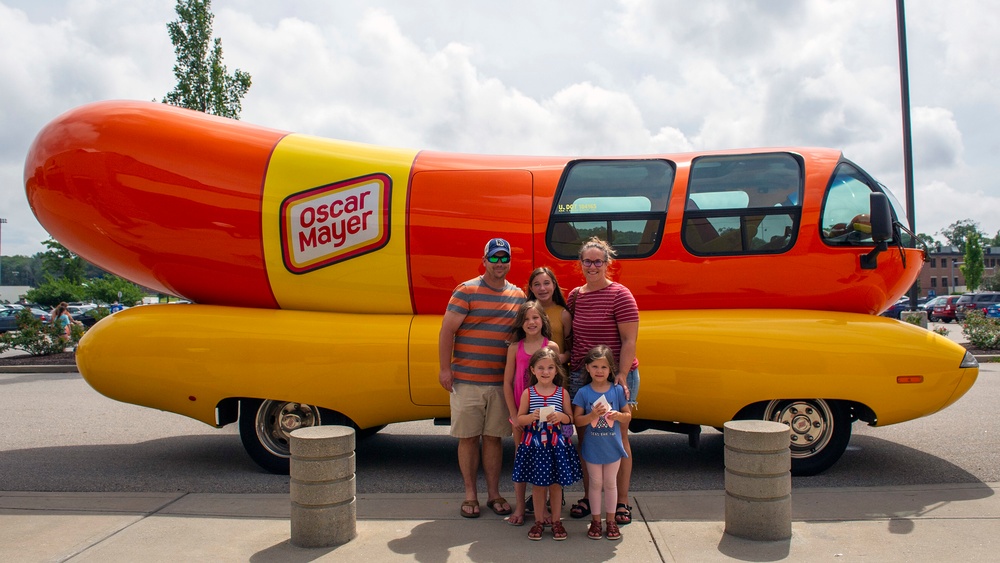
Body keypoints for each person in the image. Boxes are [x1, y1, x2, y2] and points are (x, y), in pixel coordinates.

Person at [439, 238, 525, 519]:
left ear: (509, 262)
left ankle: (493, 494)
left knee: (493, 439)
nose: (499, 264)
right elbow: (447, 331)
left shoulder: (518, 296)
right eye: (494, 258)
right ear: (485, 260)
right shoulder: (466, 290)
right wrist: (445, 369)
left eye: (504, 259)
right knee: (467, 438)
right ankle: (469, 495)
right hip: (467, 381)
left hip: (500, 383)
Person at [566, 237, 640, 526]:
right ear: (580, 264)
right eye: (588, 261)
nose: (593, 266)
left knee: (617, 437)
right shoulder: (575, 296)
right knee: (586, 439)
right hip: (582, 378)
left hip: (616, 376)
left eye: (599, 261)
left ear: (607, 263)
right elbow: (572, 336)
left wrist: (620, 375)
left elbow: (629, 340)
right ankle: (591, 497)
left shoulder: (621, 295)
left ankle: (620, 501)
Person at [511, 347, 582, 540]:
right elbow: (520, 420)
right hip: (535, 447)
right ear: (533, 370)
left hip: (556, 447)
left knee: (556, 486)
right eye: (541, 368)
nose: (545, 372)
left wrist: (561, 418)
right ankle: (539, 521)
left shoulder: (562, 393)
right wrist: (530, 417)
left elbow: (570, 420)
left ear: (556, 370)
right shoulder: (528, 393)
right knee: (538, 486)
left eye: (550, 367)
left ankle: (557, 521)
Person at [503, 300, 561, 526]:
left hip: (546, 417)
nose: (531, 322)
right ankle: (520, 505)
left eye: (535, 318)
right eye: (526, 319)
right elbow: (507, 383)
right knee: (521, 458)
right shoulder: (514, 348)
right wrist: (514, 415)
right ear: (521, 323)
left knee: (544, 458)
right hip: (521, 413)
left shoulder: (551, 347)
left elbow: (558, 383)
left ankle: (543, 507)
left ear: (543, 320)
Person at [572, 345, 632, 540]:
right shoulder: (583, 392)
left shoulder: (616, 391)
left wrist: (618, 415)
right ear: (588, 368)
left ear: (610, 369)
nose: (599, 371)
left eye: (604, 367)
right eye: (595, 366)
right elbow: (577, 420)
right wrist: (591, 415)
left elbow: (627, 416)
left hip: (612, 447)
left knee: (611, 483)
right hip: (593, 448)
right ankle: (596, 521)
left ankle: (611, 520)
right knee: (596, 483)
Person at [525, 267, 572, 365]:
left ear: (554, 285)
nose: (542, 288)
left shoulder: (564, 314)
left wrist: (564, 357)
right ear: (531, 288)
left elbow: (571, 347)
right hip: (529, 372)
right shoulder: (525, 313)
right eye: (537, 284)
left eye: (546, 283)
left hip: (556, 372)